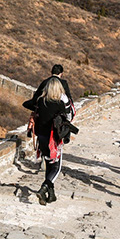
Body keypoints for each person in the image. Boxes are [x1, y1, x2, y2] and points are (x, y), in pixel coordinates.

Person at [24, 77, 70, 205]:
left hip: (41, 138)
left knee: (48, 165)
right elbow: (68, 118)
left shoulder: (40, 101)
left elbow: (27, 104)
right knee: (56, 167)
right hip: (53, 140)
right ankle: (44, 187)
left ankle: (50, 195)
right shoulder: (59, 104)